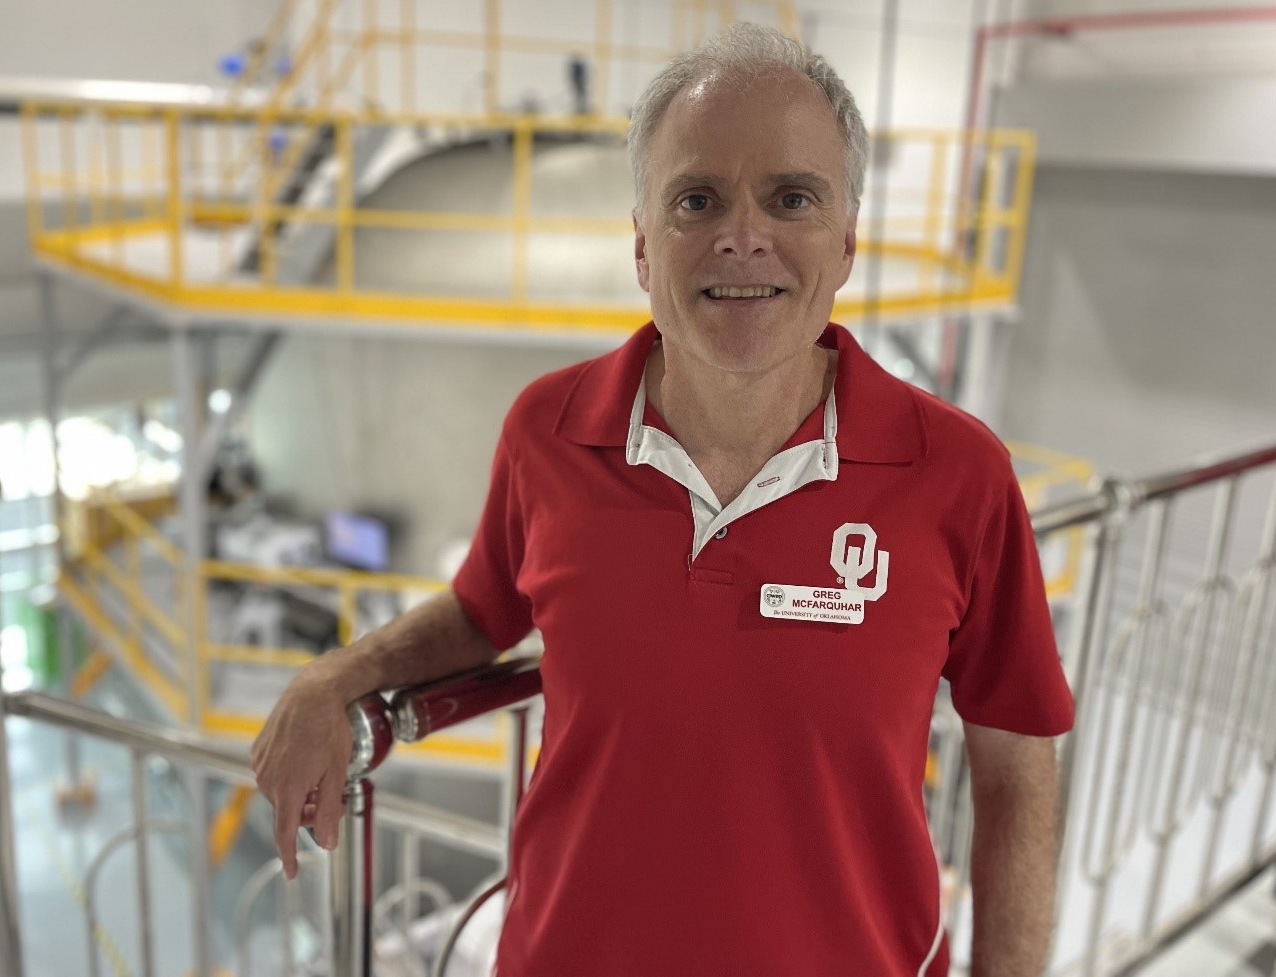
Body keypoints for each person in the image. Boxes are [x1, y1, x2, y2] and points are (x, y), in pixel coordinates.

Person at [251, 22, 1074, 977]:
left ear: (845, 241)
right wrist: (334, 678)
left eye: (791, 197)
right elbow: (483, 611)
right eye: (697, 199)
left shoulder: (957, 475)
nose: (742, 235)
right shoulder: (547, 430)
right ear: (645, 248)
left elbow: (1016, 767)